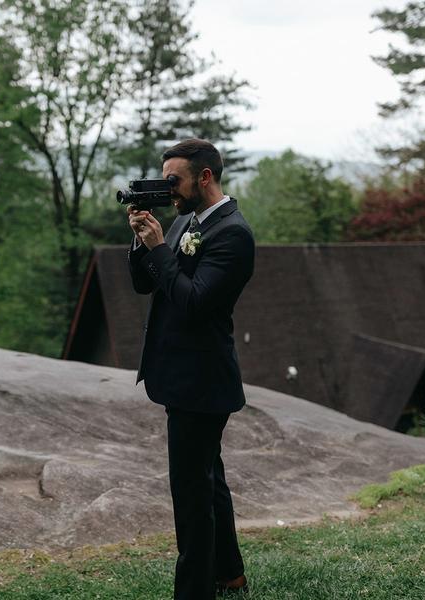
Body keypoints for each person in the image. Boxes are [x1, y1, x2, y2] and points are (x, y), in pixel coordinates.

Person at [126, 139, 255, 599]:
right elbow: (147, 285)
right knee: (208, 479)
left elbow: (195, 302)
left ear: (205, 176)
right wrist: (142, 241)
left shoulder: (233, 234)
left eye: (173, 180)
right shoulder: (184, 221)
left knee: (192, 495)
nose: (169, 190)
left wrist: (161, 247)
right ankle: (230, 573)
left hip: (202, 382)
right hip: (179, 376)